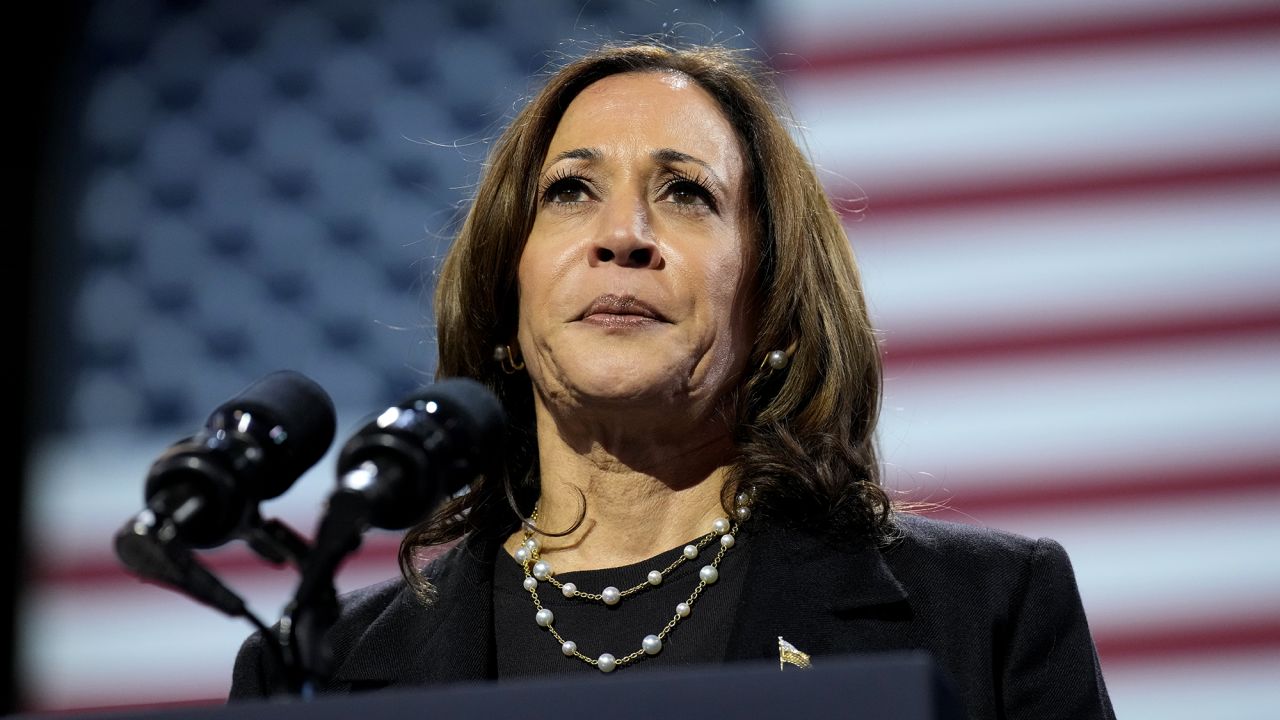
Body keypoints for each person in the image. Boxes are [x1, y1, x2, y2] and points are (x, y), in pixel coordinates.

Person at [230, 41, 1116, 718]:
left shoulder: (984, 612)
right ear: (508, 299)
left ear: (771, 307)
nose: (624, 235)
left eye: (688, 194)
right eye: (570, 191)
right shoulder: (325, 669)